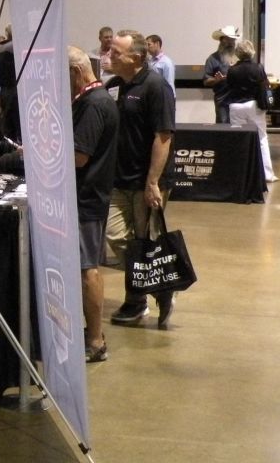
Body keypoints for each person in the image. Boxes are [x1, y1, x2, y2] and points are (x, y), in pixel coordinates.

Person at [104, 31, 178, 329]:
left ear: (135, 57)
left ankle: (136, 301)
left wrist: (153, 183)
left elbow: (163, 137)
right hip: (117, 178)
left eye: (116, 53)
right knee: (116, 237)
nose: (109, 57)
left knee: (144, 241)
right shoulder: (113, 86)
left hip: (147, 180)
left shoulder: (156, 87)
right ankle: (158, 286)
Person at [65, 46, 120, 362]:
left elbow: (79, 156)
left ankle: (96, 340)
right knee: (84, 267)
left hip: (85, 198)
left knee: (88, 270)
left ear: (75, 72)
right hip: (88, 196)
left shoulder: (93, 104)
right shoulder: (97, 100)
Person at [225, 40, 277, 182]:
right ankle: (267, 175)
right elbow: (265, 86)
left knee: (238, 139)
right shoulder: (258, 68)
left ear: (238, 53)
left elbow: (229, 86)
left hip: (236, 107)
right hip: (254, 106)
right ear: (251, 52)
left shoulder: (232, 70)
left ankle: (238, 174)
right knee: (261, 138)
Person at [204, 25, 239, 123]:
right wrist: (216, 80)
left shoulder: (239, 58)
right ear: (221, 40)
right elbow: (206, 80)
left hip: (238, 100)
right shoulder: (212, 59)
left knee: (238, 127)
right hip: (222, 100)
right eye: (228, 40)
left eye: (233, 40)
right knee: (223, 126)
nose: (231, 43)